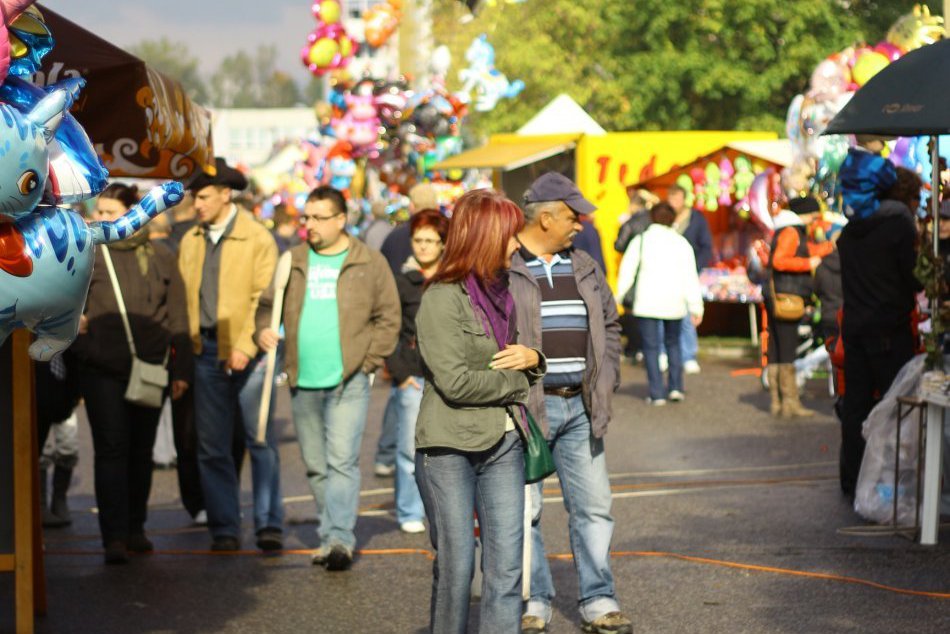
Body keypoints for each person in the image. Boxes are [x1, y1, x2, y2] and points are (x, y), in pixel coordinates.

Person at [414, 188, 545, 633]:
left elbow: (524, 354)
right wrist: (521, 380)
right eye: (510, 235)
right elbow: (455, 382)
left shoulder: (508, 290)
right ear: (486, 235)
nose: (517, 244)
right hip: (447, 447)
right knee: (457, 569)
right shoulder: (441, 298)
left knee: (507, 567)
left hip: (504, 441)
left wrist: (535, 361)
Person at [255, 185, 400, 571]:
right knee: (316, 465)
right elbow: (267, 306)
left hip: (348, 379)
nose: (310, 225)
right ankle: (329, 532)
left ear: (341, 220)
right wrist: (262, 332)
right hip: (303, 380)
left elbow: (389, 316)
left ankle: (339, 538)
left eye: (319, 218)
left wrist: (368, 362)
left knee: (342, 461)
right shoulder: (293, 260)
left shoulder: (369, 261)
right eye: (306, 217)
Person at [511, 172, 631, 634]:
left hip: (581, 407)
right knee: (525, 511)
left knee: (594, 507)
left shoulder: (583, 263)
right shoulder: (504, 268)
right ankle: (533, 600)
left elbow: (611, 324)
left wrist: (607, 379)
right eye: (572, 215)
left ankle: (599, 599)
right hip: (527, 410)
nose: (580, 224)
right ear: (545, 217)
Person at [71, 183, 192, 563]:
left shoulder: (160, 255)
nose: (102, 219)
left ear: (131, 215)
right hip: (102, 369)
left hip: (151, 368)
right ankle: (114, 537)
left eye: (111, 213)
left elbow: (178, 315)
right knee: (112, 449)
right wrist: (79, 330)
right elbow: (62, 304)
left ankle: (136, 527)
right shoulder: (87, 253)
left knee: (141, 451)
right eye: (100, 211)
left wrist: (181, 368)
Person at [178, 157, 284, 552]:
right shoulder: (190, 240)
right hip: (204, 350)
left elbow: (265, 297)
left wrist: (243, 345)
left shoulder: (257, 237)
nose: (197, 204)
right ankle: (224, 527)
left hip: (250, 352)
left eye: (203, 196)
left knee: (260, 440)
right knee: (212, 445)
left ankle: (268, 524)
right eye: (194, 197)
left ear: (226, 194)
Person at [837, 170, 921, 498]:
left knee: (855, 406)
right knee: (894, 406)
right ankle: (889, 481)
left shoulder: (850, 230)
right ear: (905, 198)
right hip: (889, 327)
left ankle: (853, 479)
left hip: (856, 326)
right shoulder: (899, 227)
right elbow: (914, 278)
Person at [385, 209, 449, 534]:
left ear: (442, 244)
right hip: (413, 375)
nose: (423, 247)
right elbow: (389, 327)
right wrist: (399, 371)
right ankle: (409, 508)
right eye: (418, 240)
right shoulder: (401, 280)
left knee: (447, 448)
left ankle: (441, 506)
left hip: (449, 376)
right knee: (410, 448)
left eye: (430, 241)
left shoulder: (453, 277)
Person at [375, 182, 440, 476]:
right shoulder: (407, 238)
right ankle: (390, 458)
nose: (424, 245)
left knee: (401, 410)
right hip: (410, 352)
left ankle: (385, 454)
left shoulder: (394, 236)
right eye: (419, 241)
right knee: (407, 422)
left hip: (414, 351)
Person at [617, 202, 704, 406]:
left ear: (651, 217)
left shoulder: (641, 240)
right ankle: (675, 387)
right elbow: (690, 276)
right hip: (674, 303)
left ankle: (656, 392)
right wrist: (696, 306)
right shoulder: (681, 243)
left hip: (647, 303)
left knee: (651, 347)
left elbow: (627, 271)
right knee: (673, 344)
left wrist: (618, 297)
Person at [764, 196, 833, 418]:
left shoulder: (786, 230)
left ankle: (777, 401)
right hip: (788, 296)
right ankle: (789, 403)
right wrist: (807, 264)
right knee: (786, 348)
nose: (814, 222)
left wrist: (826, 248)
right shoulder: (791, 232)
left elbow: (805, 249)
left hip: (779, 295)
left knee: (776, 349)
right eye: (813, 217)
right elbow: (779, 260)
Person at [667, 184, 712, 374]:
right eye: (671, 199)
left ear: (684, 199)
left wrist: (695, 267)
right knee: (666, 312)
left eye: (676, 199)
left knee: (687, 314)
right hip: (668, 273)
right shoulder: (666, 218)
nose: (673, 203)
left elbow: (706, 246)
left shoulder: (696, 219)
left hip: (688, 272)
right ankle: (665, 353)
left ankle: (688, 354)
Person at [615, 189, 658, 361]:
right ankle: (648, 348)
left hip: (634, 270)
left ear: (634, 205)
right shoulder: (655, 220)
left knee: (632, 310)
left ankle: (634, 347)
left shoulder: (631, 223)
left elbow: (619, 245)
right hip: (653, 269)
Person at [838, 135, 898, 221]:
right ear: (869, 142)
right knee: (901, 210)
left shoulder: (847, 160)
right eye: (880, 140)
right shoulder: (876, 163)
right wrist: (885, 161)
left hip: (849, 209)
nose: (884, 143)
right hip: (868, 211)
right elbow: (891, 180)